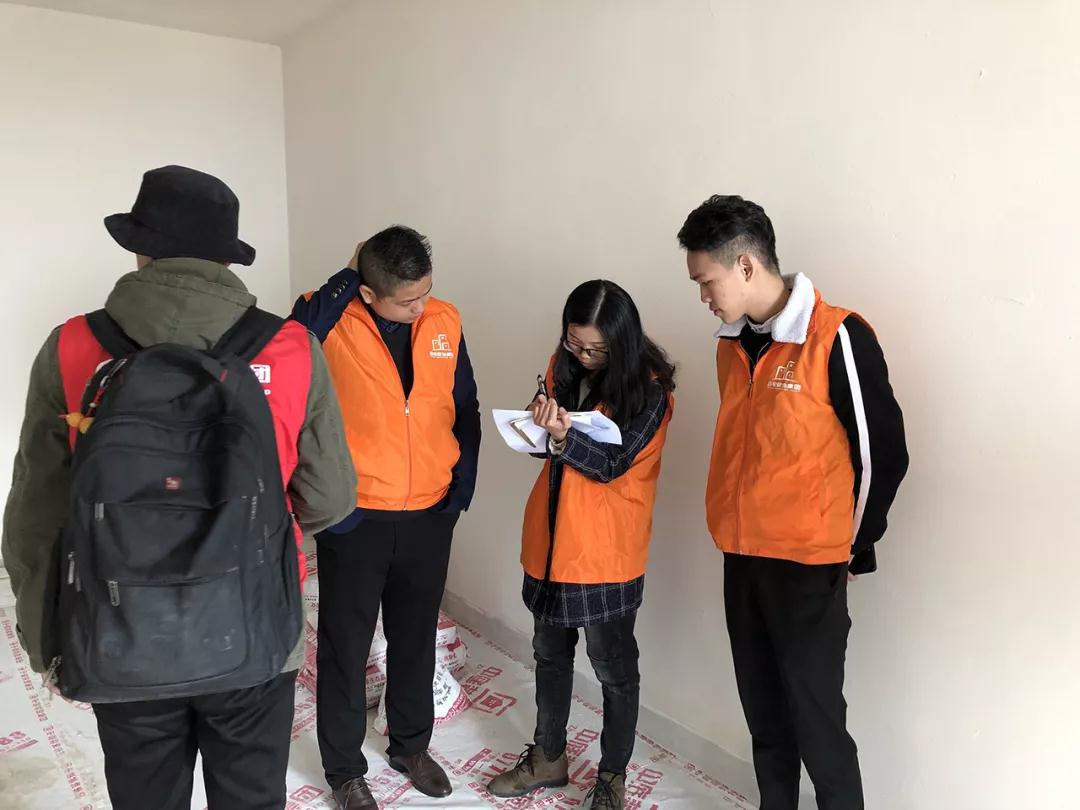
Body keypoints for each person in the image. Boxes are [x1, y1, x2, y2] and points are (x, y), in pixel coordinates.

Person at [0, 165, 357, 810]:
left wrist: (45, 640)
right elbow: (331, 497)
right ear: (228, 258)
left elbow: (35, 518)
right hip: (253, 629)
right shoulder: (291, 347)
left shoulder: (72, 346)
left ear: (142, 249)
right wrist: (252, 525)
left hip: (120, 630)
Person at [678, 195, 909, 810]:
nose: (703, 296)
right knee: (765, 717)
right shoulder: (731, 345)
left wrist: (853, 545)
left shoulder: (836, 336)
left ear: (745, 265)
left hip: (808, 566)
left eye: (706, 281)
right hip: (742, 557)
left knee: (817, 726)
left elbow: (882, 455)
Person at [291, 226, 481, 809]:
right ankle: (345, 771)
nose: (420, 307)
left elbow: (464, 406)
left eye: (426, 292)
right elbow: (289, 348)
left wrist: (459, 491)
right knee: (345, 647)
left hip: (429, 513)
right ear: (368, 292)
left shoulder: (445, 320)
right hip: (356, 516)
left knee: (415, 636)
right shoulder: (328, 320)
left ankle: (410, 746)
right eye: (406, 300)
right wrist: (349, 273)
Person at [486, 280, 676, 810]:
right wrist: (538, 426)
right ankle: (549, 758)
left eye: (597, 349)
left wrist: (564, 437)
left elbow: (613, 465)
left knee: (613, 668)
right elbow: (547, 452)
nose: (585, 356)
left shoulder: (650, 392)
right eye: (576, 344)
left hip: (605, 552)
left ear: (623, 341)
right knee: (549, 654)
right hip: (550, 540)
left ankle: (612, 776)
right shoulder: (562, 367)